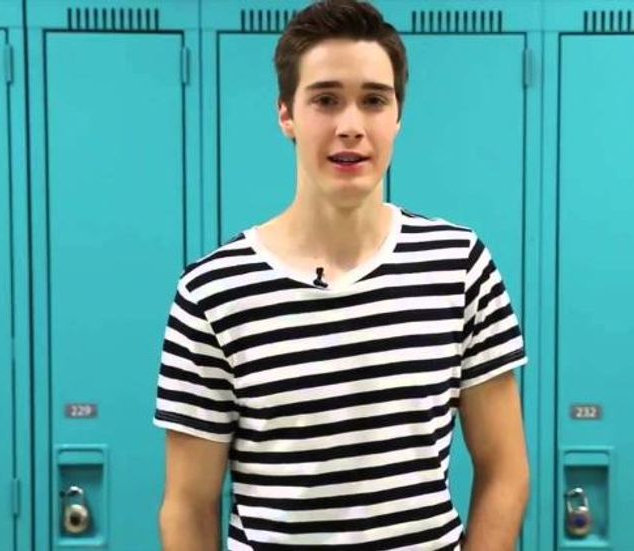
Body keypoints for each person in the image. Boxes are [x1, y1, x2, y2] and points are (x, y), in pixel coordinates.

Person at [153, 1, 529, 549]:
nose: (351, 127)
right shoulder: (212, 293)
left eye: (374, 101)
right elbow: (188, 506)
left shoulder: (460, 266)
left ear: (397, 116)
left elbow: (506, 471)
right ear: (286, 114)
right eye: (326, 100)